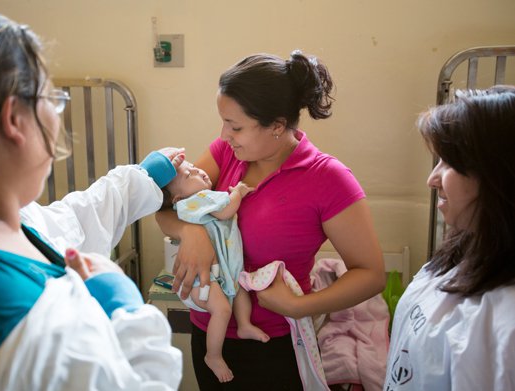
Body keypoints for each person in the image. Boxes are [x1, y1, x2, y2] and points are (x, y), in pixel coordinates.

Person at [0, 5, 183, 390]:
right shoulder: (19, 319)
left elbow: (64, 227)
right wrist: (127, 310)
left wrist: (142, 179)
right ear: (14, 119)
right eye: (53, 99)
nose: (57, 116)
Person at [156, 50, 386, 389]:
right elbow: (166, 206)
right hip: (208, 333)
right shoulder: (225, 154)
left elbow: (371, 274)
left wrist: (300, 306)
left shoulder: (328, 178)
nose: (223, 135)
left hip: (271, 344)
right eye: (223, 122)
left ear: (277, 126)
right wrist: (191, 235)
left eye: (235, 126)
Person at [384, 85, 515, 390]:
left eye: (449, 164)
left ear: (498, 176)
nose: (432, 180)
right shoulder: (464, 251)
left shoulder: (505, 323)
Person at [162, 160, 269, 383]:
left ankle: (244, 325)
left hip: (222, 272)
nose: (197, 171)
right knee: (221, 310)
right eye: (189, 175)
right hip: (206, 276)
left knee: (239, 292)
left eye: (193, 167)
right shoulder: (194, 202)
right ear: (178, 198)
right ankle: (213, 355)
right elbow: (226, 211)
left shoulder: (201, 200)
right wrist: (238, 191)